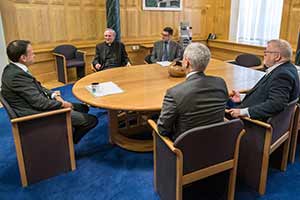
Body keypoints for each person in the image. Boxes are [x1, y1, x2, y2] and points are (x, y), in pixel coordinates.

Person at [1, 40, 98, 144]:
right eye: (32, 52)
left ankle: (67, 129)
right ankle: (66, 144)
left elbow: (38, 86)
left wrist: (52, 94)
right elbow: (40, 103)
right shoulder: (17, 76)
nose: (34, 55)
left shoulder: (12, 69)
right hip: (38, 116)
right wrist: (62, 104)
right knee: (91, 121)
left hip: (35, 107)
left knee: (82, 108)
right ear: (23, 58)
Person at [157, 43, 229, 141]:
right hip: (217, 142)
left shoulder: (174, 93)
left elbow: (163, 130)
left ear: (186, 62)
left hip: (185, 149)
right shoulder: (220, 83)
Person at [227, 39, 300, 121]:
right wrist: (242, 97)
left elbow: (276, 104)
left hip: (251, 122)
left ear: (277, 57)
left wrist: (243, 112)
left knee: (215, 106)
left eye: (266, 52)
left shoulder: (282, 75)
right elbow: (264, 93)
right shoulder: (288, 68)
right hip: (250, 106)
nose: (264, 55)